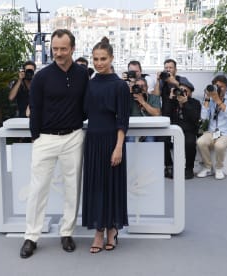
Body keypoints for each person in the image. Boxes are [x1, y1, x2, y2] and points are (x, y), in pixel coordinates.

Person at [20, 29, 89, 259]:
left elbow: (87, 104)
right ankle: (31, 236)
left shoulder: (82, 75)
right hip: (45, 139)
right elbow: (34, 107)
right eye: (55, 48)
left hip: (73, 137)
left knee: (73, 187)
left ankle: (67, 232)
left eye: (63, 49)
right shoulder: (41, 76)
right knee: (38, 189)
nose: (58, 53)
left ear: (72, 48)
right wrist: (35, 137)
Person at [82, 37, 130, 254]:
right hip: (92, 140)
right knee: (95, 186)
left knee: (112, 186)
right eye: (95, 59)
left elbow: (123, 120)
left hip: (112, 140)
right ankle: (98, 232)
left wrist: (119, 147)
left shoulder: (120, 86)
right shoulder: (90, 83)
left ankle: (112, 229)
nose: (99, 63)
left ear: (111, 58)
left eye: (103, 59)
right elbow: (82, 111)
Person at [154, 58, 193, 178]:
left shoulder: (182, 79)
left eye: (170, 68)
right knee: (161, 139)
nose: (168, 70)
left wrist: (174, 82)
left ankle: (187, 168)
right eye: (166, 68)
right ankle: (169, 166)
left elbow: (190, 92)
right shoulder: (162, 82)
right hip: (167, 115)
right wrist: (157, 80)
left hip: (182, 116)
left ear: (175, 69)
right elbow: (155, 96)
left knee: (188, 141)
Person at [196, 75, 227, 180]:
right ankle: (207, 167)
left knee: (219, 145)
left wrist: (218, 100)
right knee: (200, 142)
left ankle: (219, 168)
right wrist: (207, 98)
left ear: (226, 87)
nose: (219, 89)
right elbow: (204, 117)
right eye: (217, 86)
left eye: (222, 87)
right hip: (212, 132)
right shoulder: (210, 98)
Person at [165, 79, 201, 179]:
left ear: (190, 93)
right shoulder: (173, 102)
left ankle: (189, 169)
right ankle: (169, 167)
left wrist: (185, 104)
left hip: (188, 131)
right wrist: (170, 99)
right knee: (162, 139)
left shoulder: (195, 103)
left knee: (190, 142)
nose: (181, 93)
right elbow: (166, 115)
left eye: (185, 91)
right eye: (180, 90)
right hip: (172, 130)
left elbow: (195, 119)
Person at [126, 77, 161, 142]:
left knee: (150, 140)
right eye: (138, 86)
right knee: (130, 140)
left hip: (150, 129)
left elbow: (157, 114)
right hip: (133, 129)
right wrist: (127, 93)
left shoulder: (154, 97)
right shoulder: (129, 98)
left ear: (147, 87)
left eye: (143, 86)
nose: (140, 88)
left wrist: (143, 102)